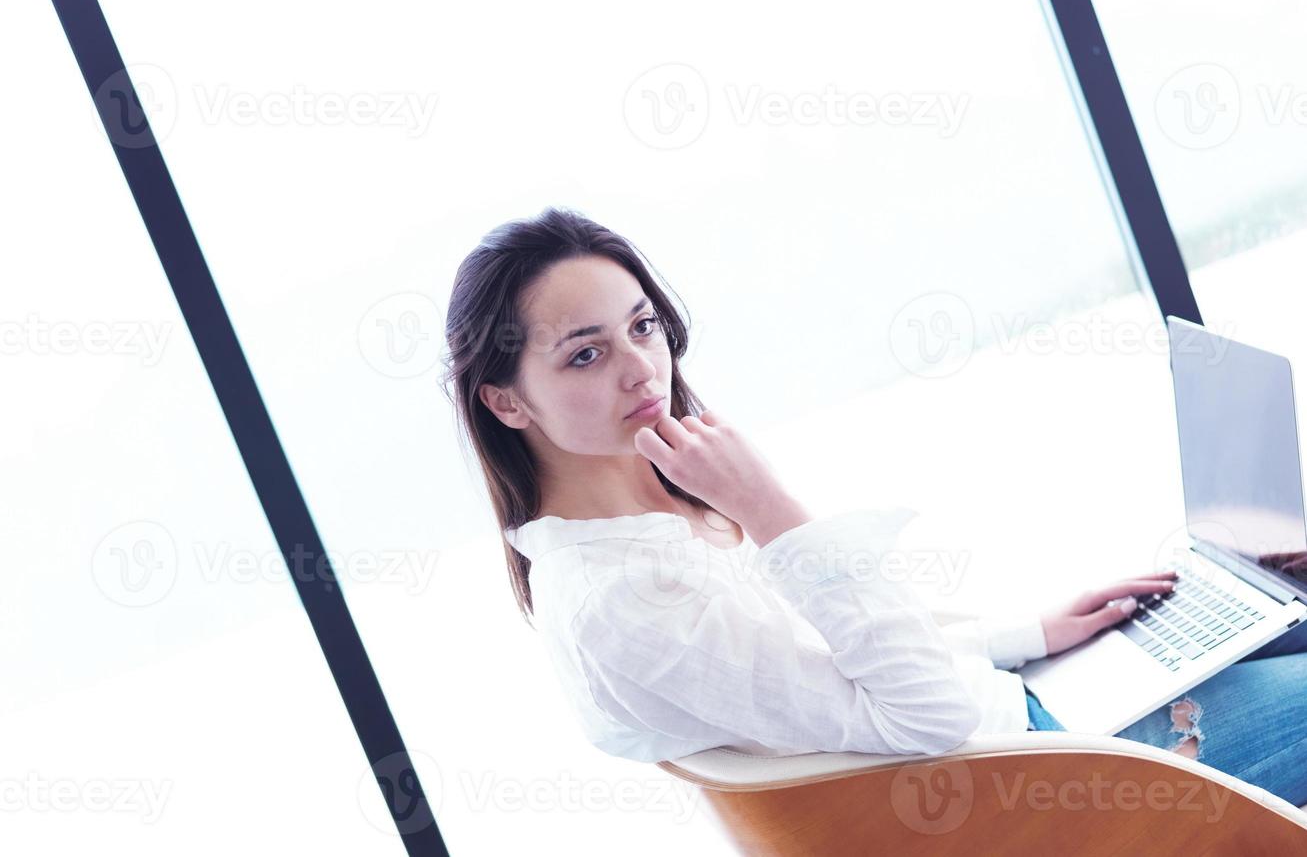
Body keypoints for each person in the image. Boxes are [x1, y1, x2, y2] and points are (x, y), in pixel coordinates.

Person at [440, 206, 1307, 807]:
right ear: (507, 402)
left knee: (1272, 593)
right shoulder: (621, 601)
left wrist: (1029, 633)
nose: (640, 367)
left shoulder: (653, 529)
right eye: (584, 356)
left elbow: (842, 671)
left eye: (641, 326)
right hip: (1041, 782)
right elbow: (920, 716)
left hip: (1023, 716)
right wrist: (771, 507)